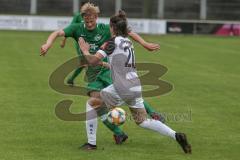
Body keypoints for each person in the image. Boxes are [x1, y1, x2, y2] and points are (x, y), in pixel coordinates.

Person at [40, 2, 164, 150]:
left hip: (107, 70)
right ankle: (119, 132)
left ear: (97, 17)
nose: (90, 24)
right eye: (87, 21)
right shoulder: (76, 28)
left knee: (114, 97)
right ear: (83, 18)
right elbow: (57, 33)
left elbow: (128, 31)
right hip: (92, 74)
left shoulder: (105, 28)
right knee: (96, 104)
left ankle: (147, 115)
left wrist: (145, 43)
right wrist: (48, 44)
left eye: (92, 21)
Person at [78, 10, 191, 154]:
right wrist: (105, 65)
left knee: (92, 103)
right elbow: (118, 63)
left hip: (122, 87)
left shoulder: (110, 43)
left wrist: (85, 50)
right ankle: (176, 135)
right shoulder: (128, 42)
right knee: (142, 121)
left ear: (112, 28)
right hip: (135, 85)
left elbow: (93, 61)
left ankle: (91, 144)